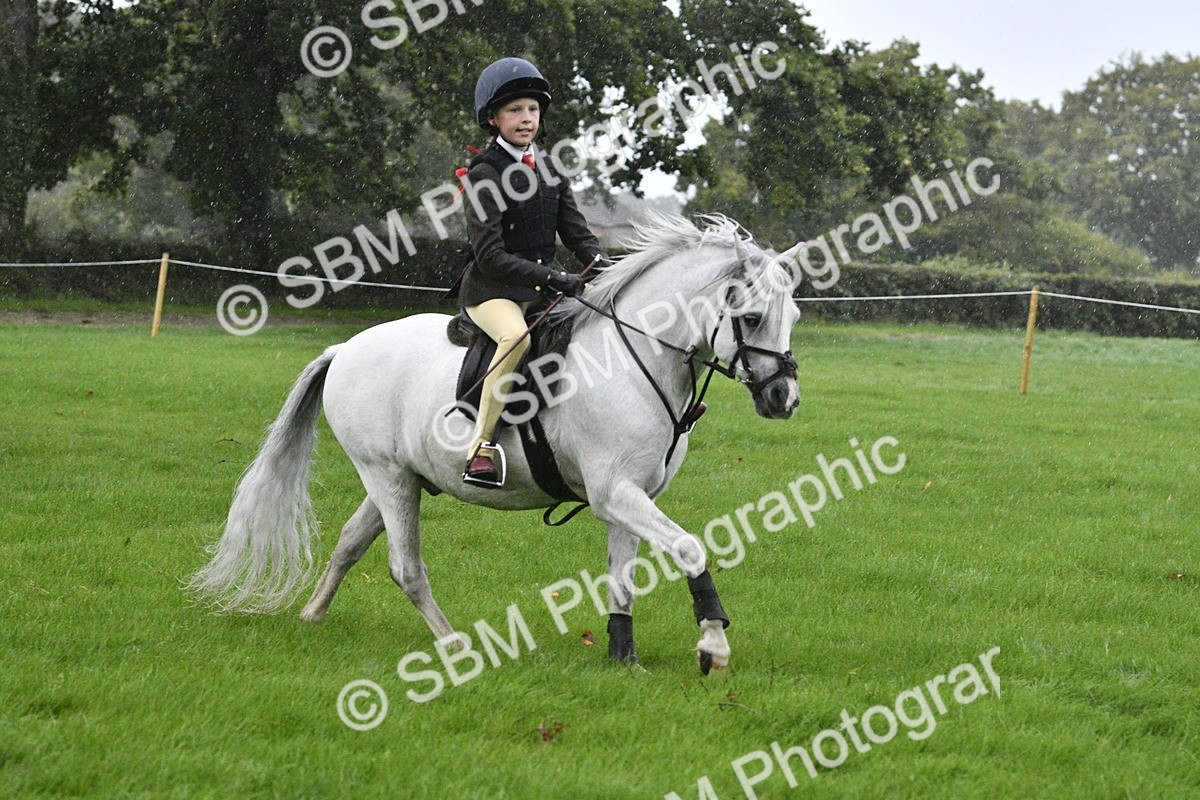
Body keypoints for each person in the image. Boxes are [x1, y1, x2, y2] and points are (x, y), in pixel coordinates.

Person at [451, 56, 609, 487]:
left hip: (542, 288)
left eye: (533, 110)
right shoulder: (483, 173)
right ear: (493, 118)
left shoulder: (551, 169)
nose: (526, 119)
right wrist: (555, 279)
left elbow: (578, 235)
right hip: (492, 290)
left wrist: (606, 268)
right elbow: (490, 256)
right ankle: (481, 447)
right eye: (515, 110)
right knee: (515, 337)